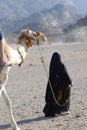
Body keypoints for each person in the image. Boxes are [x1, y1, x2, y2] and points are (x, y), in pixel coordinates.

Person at [43, 52, 72, 117]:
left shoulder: (52, 65)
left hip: (52, 85)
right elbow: (65, 74)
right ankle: (61, 110)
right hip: (60, 85)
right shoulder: (61, 65)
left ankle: (53, 111)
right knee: (62, 97)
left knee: (53, 98)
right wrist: (70, 81)